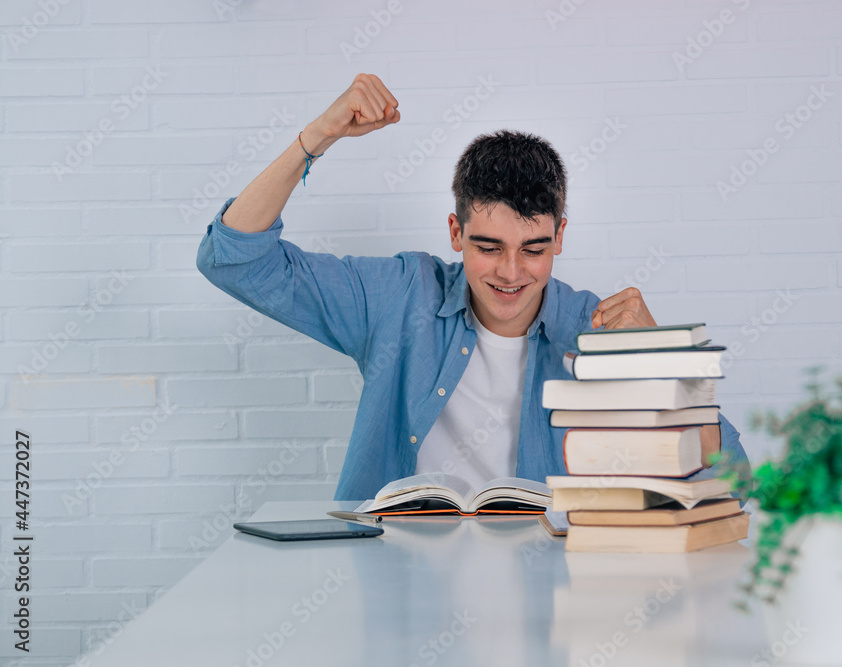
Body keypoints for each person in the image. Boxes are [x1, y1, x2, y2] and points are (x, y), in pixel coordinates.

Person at [197, 73, 748, 500]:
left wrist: (663, 358)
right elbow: (235, 260)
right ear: (456, 233)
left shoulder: (593, 328)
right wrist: (317, 137)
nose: (511, 273)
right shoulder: (403, 296)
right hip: (396, 579)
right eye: (489, 247)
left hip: (544, 594)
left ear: (560, 237)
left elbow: (730, 481)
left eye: (533, 249)